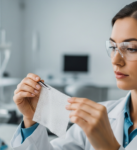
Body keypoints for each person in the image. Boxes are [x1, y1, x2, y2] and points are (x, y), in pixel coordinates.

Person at [11, 1, 137, 150]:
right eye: (113, 47)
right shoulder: (99, 118)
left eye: (131, 49)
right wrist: (31, 120)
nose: (115, 60)